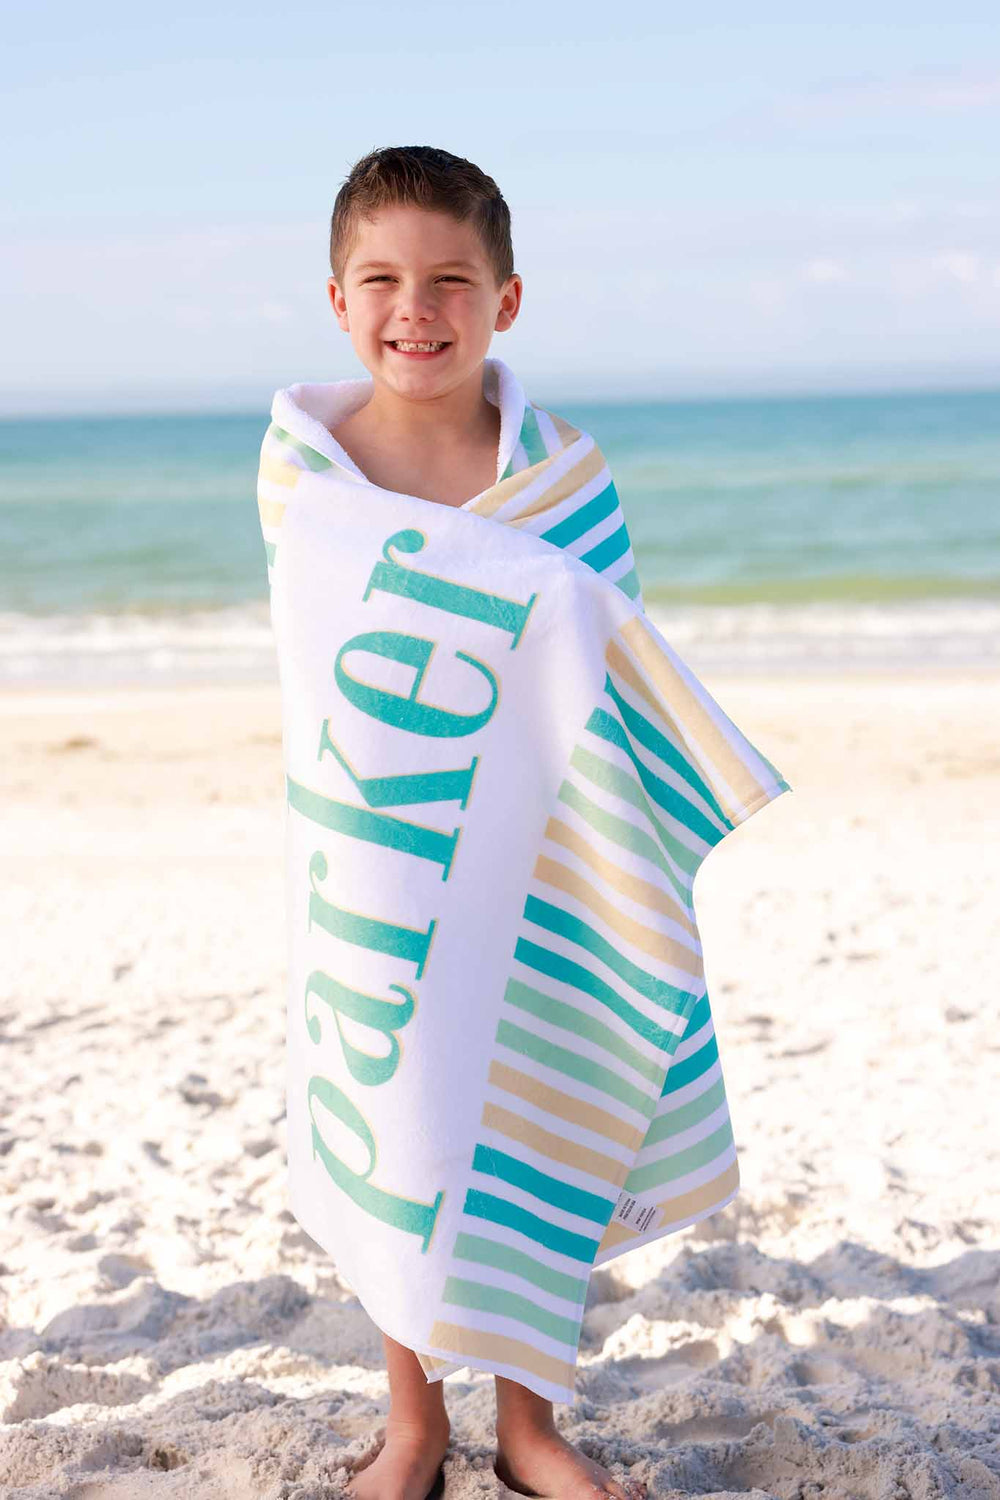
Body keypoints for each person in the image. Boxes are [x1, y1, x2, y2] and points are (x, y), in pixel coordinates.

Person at [317, 145, 649, 1500]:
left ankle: (527, 1426)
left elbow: (610, 669)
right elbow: (318, 689)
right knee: (396, 1117)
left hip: (534, 853)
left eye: (452, 280)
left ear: (505, 301)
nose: (418, 308)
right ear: (338, 298)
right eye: (385, 279)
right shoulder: (313, 477)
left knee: (528, 1109)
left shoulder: (563, 476)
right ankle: (415, 1425)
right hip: (376, 855)